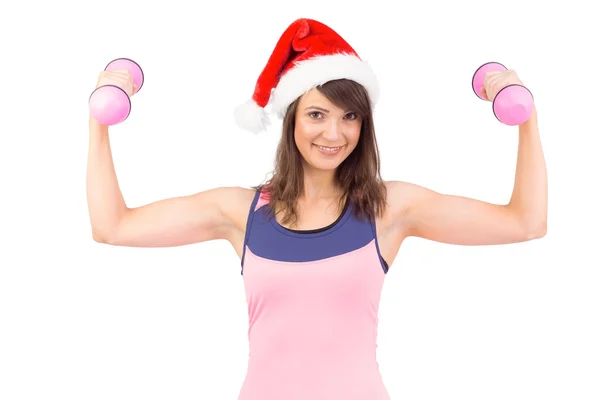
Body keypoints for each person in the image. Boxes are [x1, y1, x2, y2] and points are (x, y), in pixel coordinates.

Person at [87, 18, 547, 400]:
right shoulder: (240, 212)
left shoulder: (388, 208)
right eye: (317, 114)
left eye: (350, 116)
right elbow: (113, 227)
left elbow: (525, 223)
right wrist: (99, 117)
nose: (335, 132)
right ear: (291, 121)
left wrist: (527, 118)